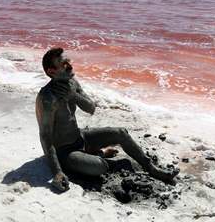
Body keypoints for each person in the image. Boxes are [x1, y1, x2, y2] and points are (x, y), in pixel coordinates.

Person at [35, 47, 179, 192]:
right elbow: (45, 137)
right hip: (64, 152)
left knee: (121, 133)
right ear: (51, 72)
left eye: (69, 61)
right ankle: (99, 154)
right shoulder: (46, 98)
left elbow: (91, 108)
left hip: (80, 137)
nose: (70, 66)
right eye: (64, 64)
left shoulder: (72, 82)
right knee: (99, 166)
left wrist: (73, 95)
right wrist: (57, 172)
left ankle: (151, 168)